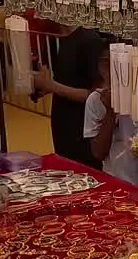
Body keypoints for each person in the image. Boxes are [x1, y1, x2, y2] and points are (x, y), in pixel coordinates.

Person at [82, 39, 138, 195]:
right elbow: (98, 153)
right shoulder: (96, 100)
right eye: (107, 63)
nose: (114, 70)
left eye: (120, 64)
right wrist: (111, 112)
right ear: (99, 67)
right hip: (118, 182)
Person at [33, 24, 106, 169]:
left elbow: (95, 94)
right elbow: (63, 80)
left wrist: (52, 86)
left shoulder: (89, 41)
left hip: (82, 126)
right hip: (62, 123)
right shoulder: (55, 41)